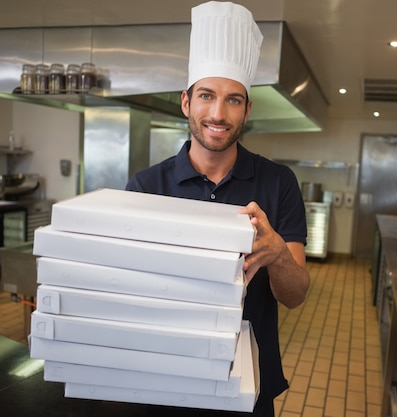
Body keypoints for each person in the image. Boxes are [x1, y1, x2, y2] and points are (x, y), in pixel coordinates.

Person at [125, 2, 310, 416]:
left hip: (248, 377)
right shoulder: (146, 187)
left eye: (233, 100)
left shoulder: (278, 183)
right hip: (163, 376)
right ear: (186, 102)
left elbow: (295, 296)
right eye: (207, 96)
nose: (218, 114)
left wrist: (277, 252)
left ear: (247, 110)